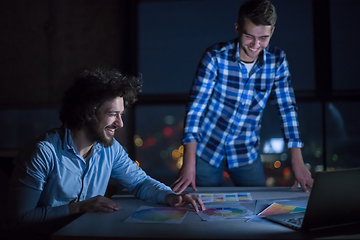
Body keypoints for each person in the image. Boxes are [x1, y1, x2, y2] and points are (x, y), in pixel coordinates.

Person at [7, 68, 204, 237]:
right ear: (88, 113)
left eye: (121, 114)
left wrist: (172, 197)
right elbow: (21, 219)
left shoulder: (110, 149)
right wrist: (80, 207)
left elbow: (139, 182)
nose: (120, 123)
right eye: (112, 114)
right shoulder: (43, 152)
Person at [171, 0, 313, 194]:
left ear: (272, 33)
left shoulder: (277, 61)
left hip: (246, 153)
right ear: (238, 28)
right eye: (249, 36)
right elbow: (195, 109)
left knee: (258, 210)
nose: (255, 45)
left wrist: (298, 161)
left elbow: (287, 110)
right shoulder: (215, 57)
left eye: (263, 37)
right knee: (199, 209)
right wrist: (189, 162)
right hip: (206, 151)